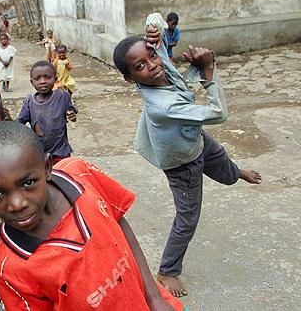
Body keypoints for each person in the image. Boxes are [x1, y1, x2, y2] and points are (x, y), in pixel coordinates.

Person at [0, 121, 185, 310]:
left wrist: (154, 297)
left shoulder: (81, 174)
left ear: (47, 167)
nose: (16, 204)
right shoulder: (11, 267)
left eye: (28, 183)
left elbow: (117, 219)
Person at [112, 24, 262, 298]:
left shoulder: (159, 65)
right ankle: (167, 270)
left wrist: (153, 31)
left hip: (194, 139)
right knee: (187, 218)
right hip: (182, 163)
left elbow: (155, 23)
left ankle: (235, 173)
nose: (154, 65)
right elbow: (217, 113)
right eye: (140, 66)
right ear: (129, 78)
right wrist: (208, 72)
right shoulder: (163, 106)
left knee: (220, 157)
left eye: (152, 56)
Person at [17, 60, 77, 165]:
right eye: (37, 79)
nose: (43, 81)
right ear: (32, 82)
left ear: (55, 79)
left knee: (61, 177)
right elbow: (19, 122)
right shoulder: (29, 101)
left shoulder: (62, 96)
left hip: (60, 153)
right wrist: (6, 119)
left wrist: (71, 115)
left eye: (47, 77)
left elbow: (72, 114)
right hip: (39, 155)